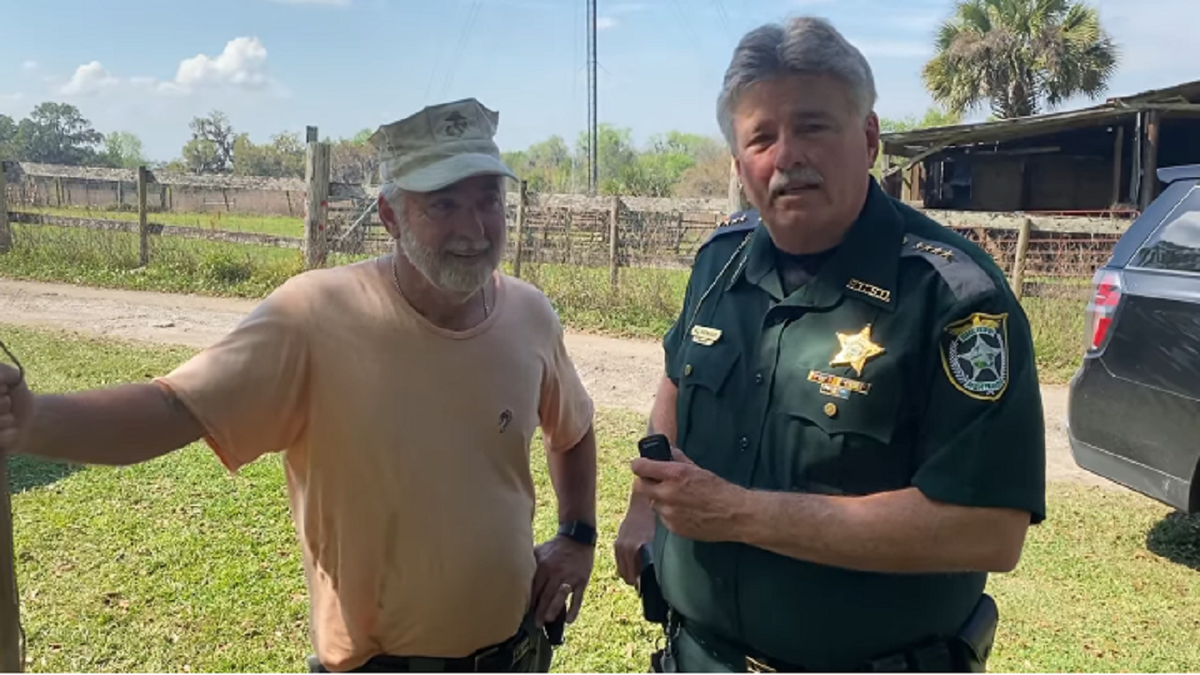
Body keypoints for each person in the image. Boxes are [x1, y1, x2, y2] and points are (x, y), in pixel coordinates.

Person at [0, 98, 599, 673]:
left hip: (515, 657)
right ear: (390, 217)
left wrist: (578, 533)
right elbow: (170, 409)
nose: (475, 227)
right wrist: (32, 421)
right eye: (443, 204)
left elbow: (572, 428)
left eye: (488, 199)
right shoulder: (315, 316)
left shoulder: (530, 314)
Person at [614, 16, 1046, 673]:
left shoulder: (953, 297)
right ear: (739, 164)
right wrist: (642, 511)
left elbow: (988, 528)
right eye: (762, 137)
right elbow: (678, 378)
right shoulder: (719, 263)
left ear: (869, 137)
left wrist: (739, 514)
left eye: (812, 126)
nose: (787, 156)